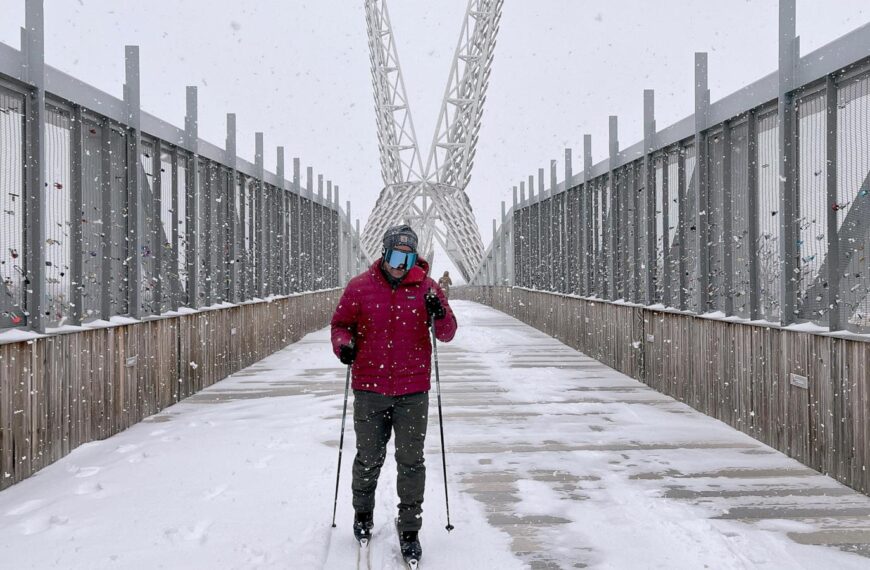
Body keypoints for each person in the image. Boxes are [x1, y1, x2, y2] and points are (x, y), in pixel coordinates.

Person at [330, 224, 457, 564]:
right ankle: (362, 514)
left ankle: (411, 528)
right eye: (397, 255)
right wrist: (344, 346)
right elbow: (340, 325)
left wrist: (440, 312)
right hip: (370, 388)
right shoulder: (360, 288)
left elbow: (447, 333)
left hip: (413, 391)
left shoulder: (427, 289)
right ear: (385, 253)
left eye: (409, 256)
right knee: (368, 458)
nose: (402, 263)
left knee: (411, 462)